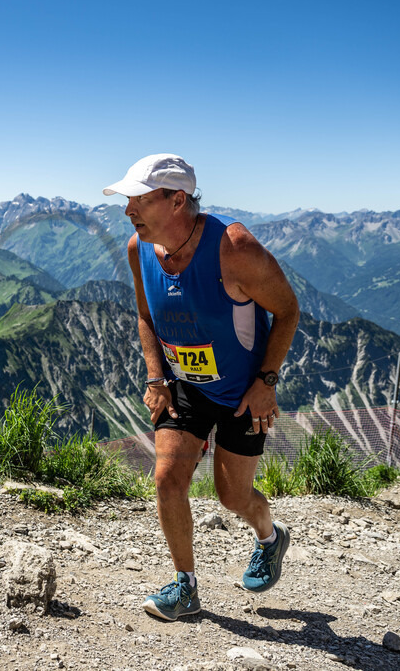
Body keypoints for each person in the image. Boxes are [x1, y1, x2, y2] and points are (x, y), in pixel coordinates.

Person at [103, 153, 300, 620]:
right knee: (167, 479)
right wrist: (156, 377)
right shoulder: (138, 249)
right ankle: (185, 587)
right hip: (183, 386)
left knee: (233, 497)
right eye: (127, 200)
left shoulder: (234, 247)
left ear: (177, 201)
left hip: (241, 393)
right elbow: (146, 315)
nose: (128, 210)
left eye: (139, 200)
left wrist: (266, 382)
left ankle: (270, 536)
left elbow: (288, 310)